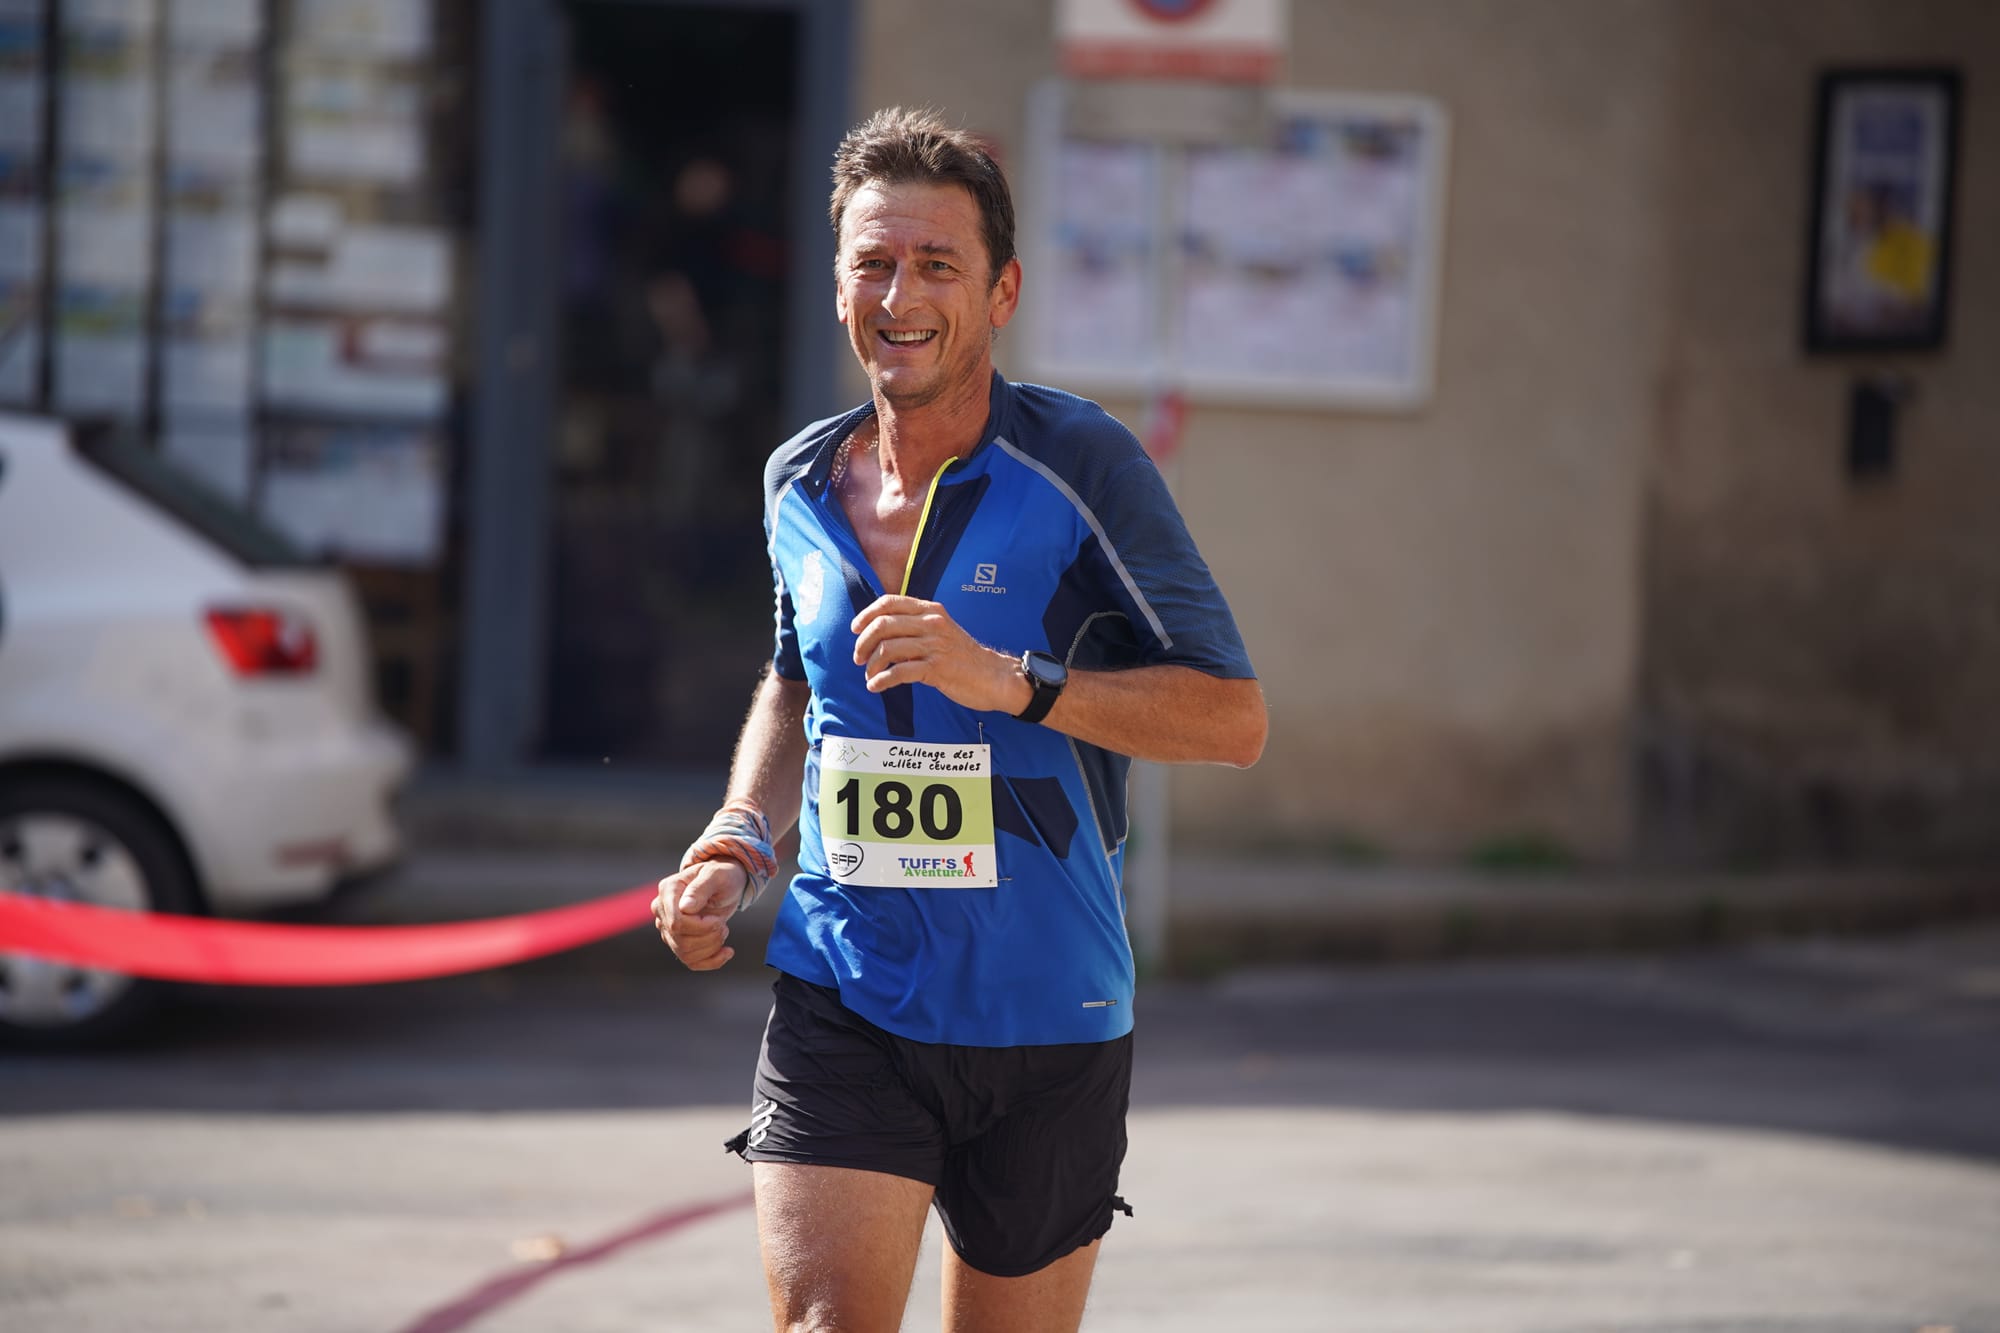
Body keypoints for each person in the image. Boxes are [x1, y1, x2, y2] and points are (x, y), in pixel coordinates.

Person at [654, 106, 1266, 1333]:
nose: (901, 296)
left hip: (1045, 1006)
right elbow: (795, 683)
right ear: (837, 284)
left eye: (937, 264)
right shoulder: (796, 479)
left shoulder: (1081, 464)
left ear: (1001, 292)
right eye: (873, 263)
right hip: (844, 986)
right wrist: (737, 836)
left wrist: (1015, 682)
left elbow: (1230, 717)